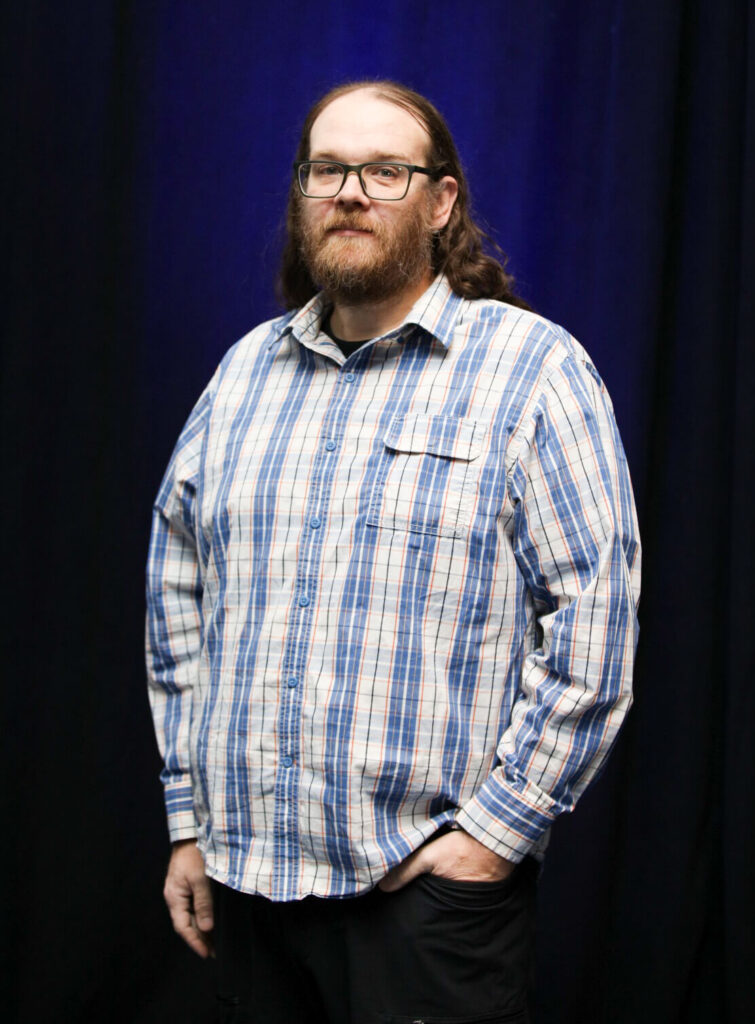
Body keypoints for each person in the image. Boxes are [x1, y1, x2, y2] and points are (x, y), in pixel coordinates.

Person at [146, 80, 641, 1023]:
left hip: (423, 908)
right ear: (301, 194)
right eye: (327, 170)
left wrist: (493, 840)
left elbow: (594, 632)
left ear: (441, 202)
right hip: (248, 893)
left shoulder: (532, 369)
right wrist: (189, 825)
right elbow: (179, 595)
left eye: (385, 171)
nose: (351, 192)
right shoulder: (244, 374)